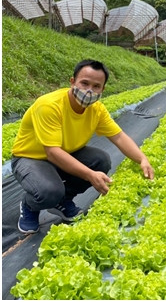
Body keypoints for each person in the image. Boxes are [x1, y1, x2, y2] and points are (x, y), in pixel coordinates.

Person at [12, 60, 155, 234]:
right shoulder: (49, 105)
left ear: (102, 90)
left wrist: (142, 159)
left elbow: (118, 137)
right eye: (84, 83)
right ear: (72, 82)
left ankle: (63, 200)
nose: (89, 91)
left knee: (101, 161)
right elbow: (52, 152)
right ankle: (30, 205)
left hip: (65, 153)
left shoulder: (97, 110)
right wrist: (89, 175)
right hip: (31, 157)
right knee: (49, 191)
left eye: (96, 86)